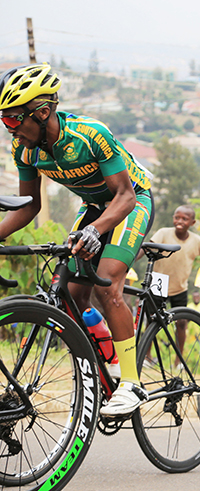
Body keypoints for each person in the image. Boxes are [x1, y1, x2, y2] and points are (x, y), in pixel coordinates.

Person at [0, 63, 154, 416]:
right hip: (95, 207)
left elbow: (125, 197)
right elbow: (29, 207)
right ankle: (102, 367)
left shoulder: (90, 134)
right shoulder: (25, 150)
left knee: (107, 283)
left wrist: (95, 230)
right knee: (71, 294)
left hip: (131, 201)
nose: (9, 130)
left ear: (41, 113)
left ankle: (131, 383)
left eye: (12, 120)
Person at [147, 205, 200, 355]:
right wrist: (128, 263)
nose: (179, 221)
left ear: (192, 223)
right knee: (151, 321)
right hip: (158, 284)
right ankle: (146, 355)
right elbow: (147, 249)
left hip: (179, 287)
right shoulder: (163, 233)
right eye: (177, 217)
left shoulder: (196, 241)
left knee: (181, 323)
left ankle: (178, 359)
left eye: (184, 219)